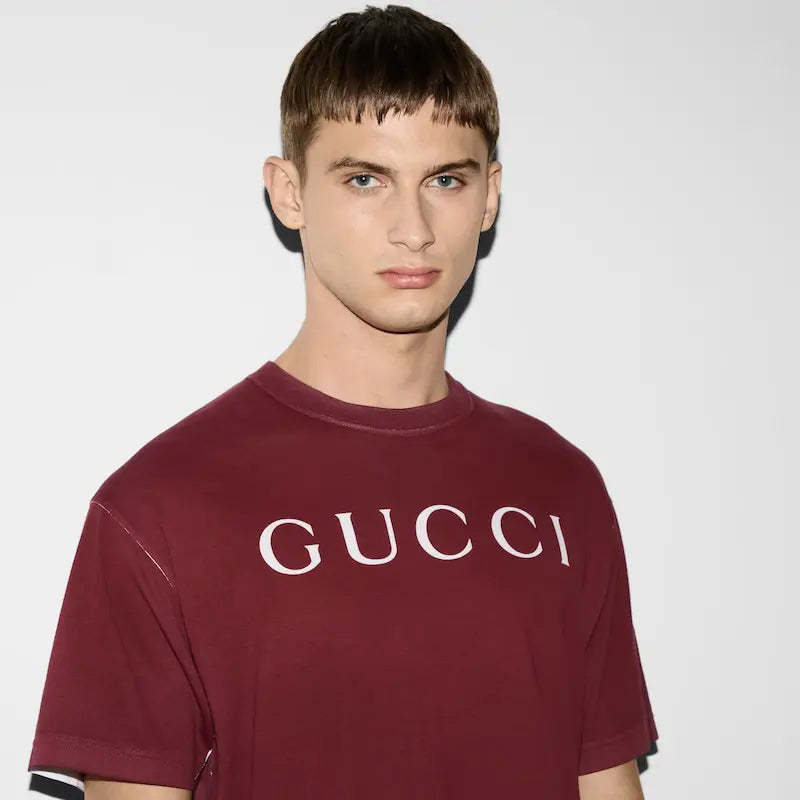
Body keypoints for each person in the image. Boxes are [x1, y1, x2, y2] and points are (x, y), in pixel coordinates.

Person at [27, 5, 658, 799]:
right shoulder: (161, 508)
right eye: (365, 179)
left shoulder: (561, 486)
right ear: (288, 193)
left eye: (446, 180)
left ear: (490, 196)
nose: (413, 228)